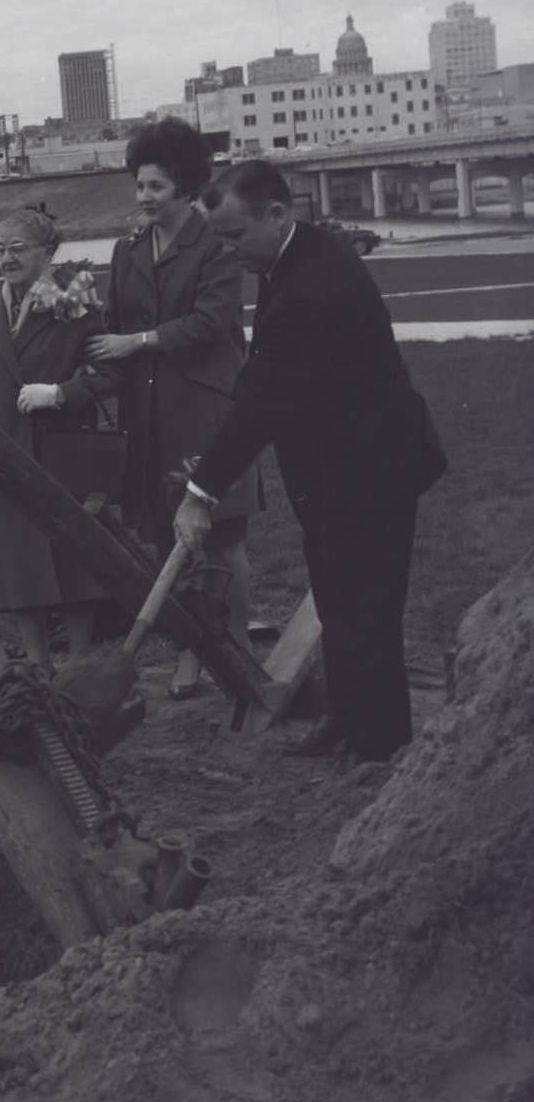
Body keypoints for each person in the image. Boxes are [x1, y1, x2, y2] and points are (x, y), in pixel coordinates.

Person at [174, 160, 447, 763]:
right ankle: (346, 720)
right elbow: (261, 380)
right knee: (337, 597)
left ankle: (377, 746)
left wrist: (201, 492)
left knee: (366, 607)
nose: (228, 251)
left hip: (372, 469)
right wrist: (211, 465)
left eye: (235, 236)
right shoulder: (286, 259)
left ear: (277, 213)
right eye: (219, 238)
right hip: (336, 470)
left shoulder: (311, 285)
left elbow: (264, 399)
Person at [85, 119, 257, 697]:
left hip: (206, 411)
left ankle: (238, 651)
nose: (144, 198)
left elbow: (211, 323)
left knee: (221, 536)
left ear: (184, 187)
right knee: (167, 536)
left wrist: (140, 341)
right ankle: (192, 652)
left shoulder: (216, 247)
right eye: (139, 186)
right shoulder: (126, 250)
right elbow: (112, 325)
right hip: (148, 412)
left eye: (155, 187)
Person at [0, 209, 119, 676]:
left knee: (73, 559)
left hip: (62, 450)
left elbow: (110, 373)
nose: (6, 258)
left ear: (47, 253)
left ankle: (81, 662)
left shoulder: (75, 304)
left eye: (17, 249)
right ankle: (38, 664)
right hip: (4, 452)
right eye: (0, 248)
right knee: (16, 562)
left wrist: (61, 394)